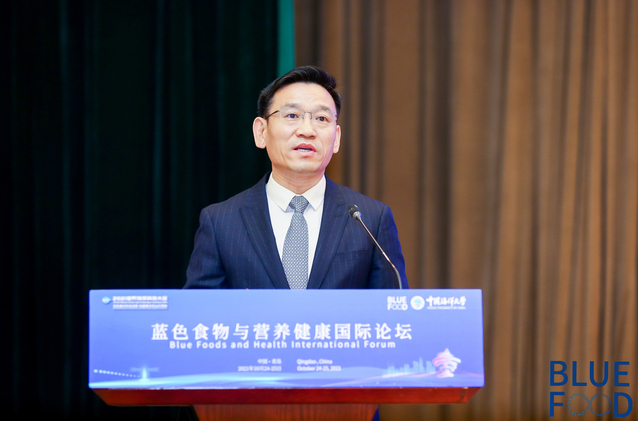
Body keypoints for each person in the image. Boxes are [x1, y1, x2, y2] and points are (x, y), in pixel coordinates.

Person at [184, 66, 407, 290]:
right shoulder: (220, 222)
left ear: (336, 138)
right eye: (292, 116)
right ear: (261, 132)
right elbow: (200, 308)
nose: (307, 130)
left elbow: (392, 307)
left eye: (321, 118)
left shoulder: (371, 220)